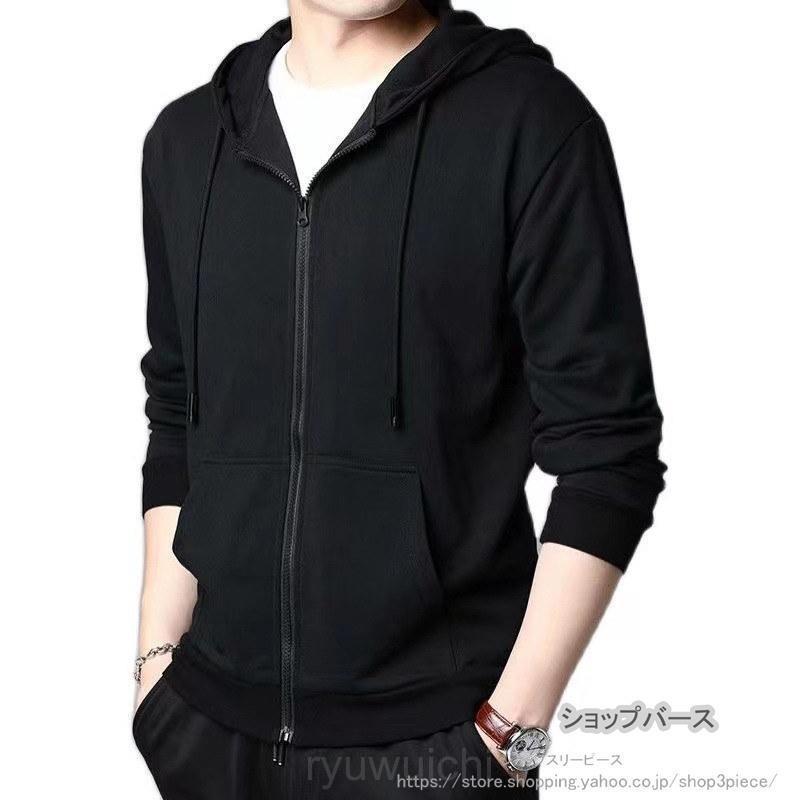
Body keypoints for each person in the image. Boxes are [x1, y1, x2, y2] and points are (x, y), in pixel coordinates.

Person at [133, 1, 665, 797]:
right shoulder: (187, 140)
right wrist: (155, 673)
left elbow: (608, 451)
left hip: (436, 751)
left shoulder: (528, 124)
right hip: (210, 731)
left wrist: (503, 742)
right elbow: (178, 413)